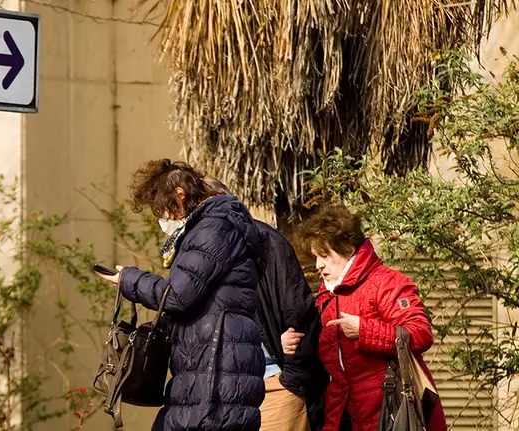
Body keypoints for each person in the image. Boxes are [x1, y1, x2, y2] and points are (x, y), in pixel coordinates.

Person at [97, 159, 266, 431]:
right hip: (210, 365)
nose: (161, 218)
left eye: (163, 208)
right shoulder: (208, 228)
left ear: (180, 196)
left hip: (215, 372)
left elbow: (178, 295)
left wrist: (129, 279)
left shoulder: (213, 227)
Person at [282, 205, 446, 431]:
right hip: (343, 413)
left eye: (326, 256)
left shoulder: (387, 283)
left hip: (390, 411)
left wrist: (364, 330)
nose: (319, 265)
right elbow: (330, 358)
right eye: (316, 257)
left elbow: (420, 333)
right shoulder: (326, 297)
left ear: (348, 250)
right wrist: (294, 344)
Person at [204, 178, 328, 431]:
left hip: (273, 386)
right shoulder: (199, 257)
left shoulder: (264, 242)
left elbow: (300, 311)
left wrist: (291, 380)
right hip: (222, 396)